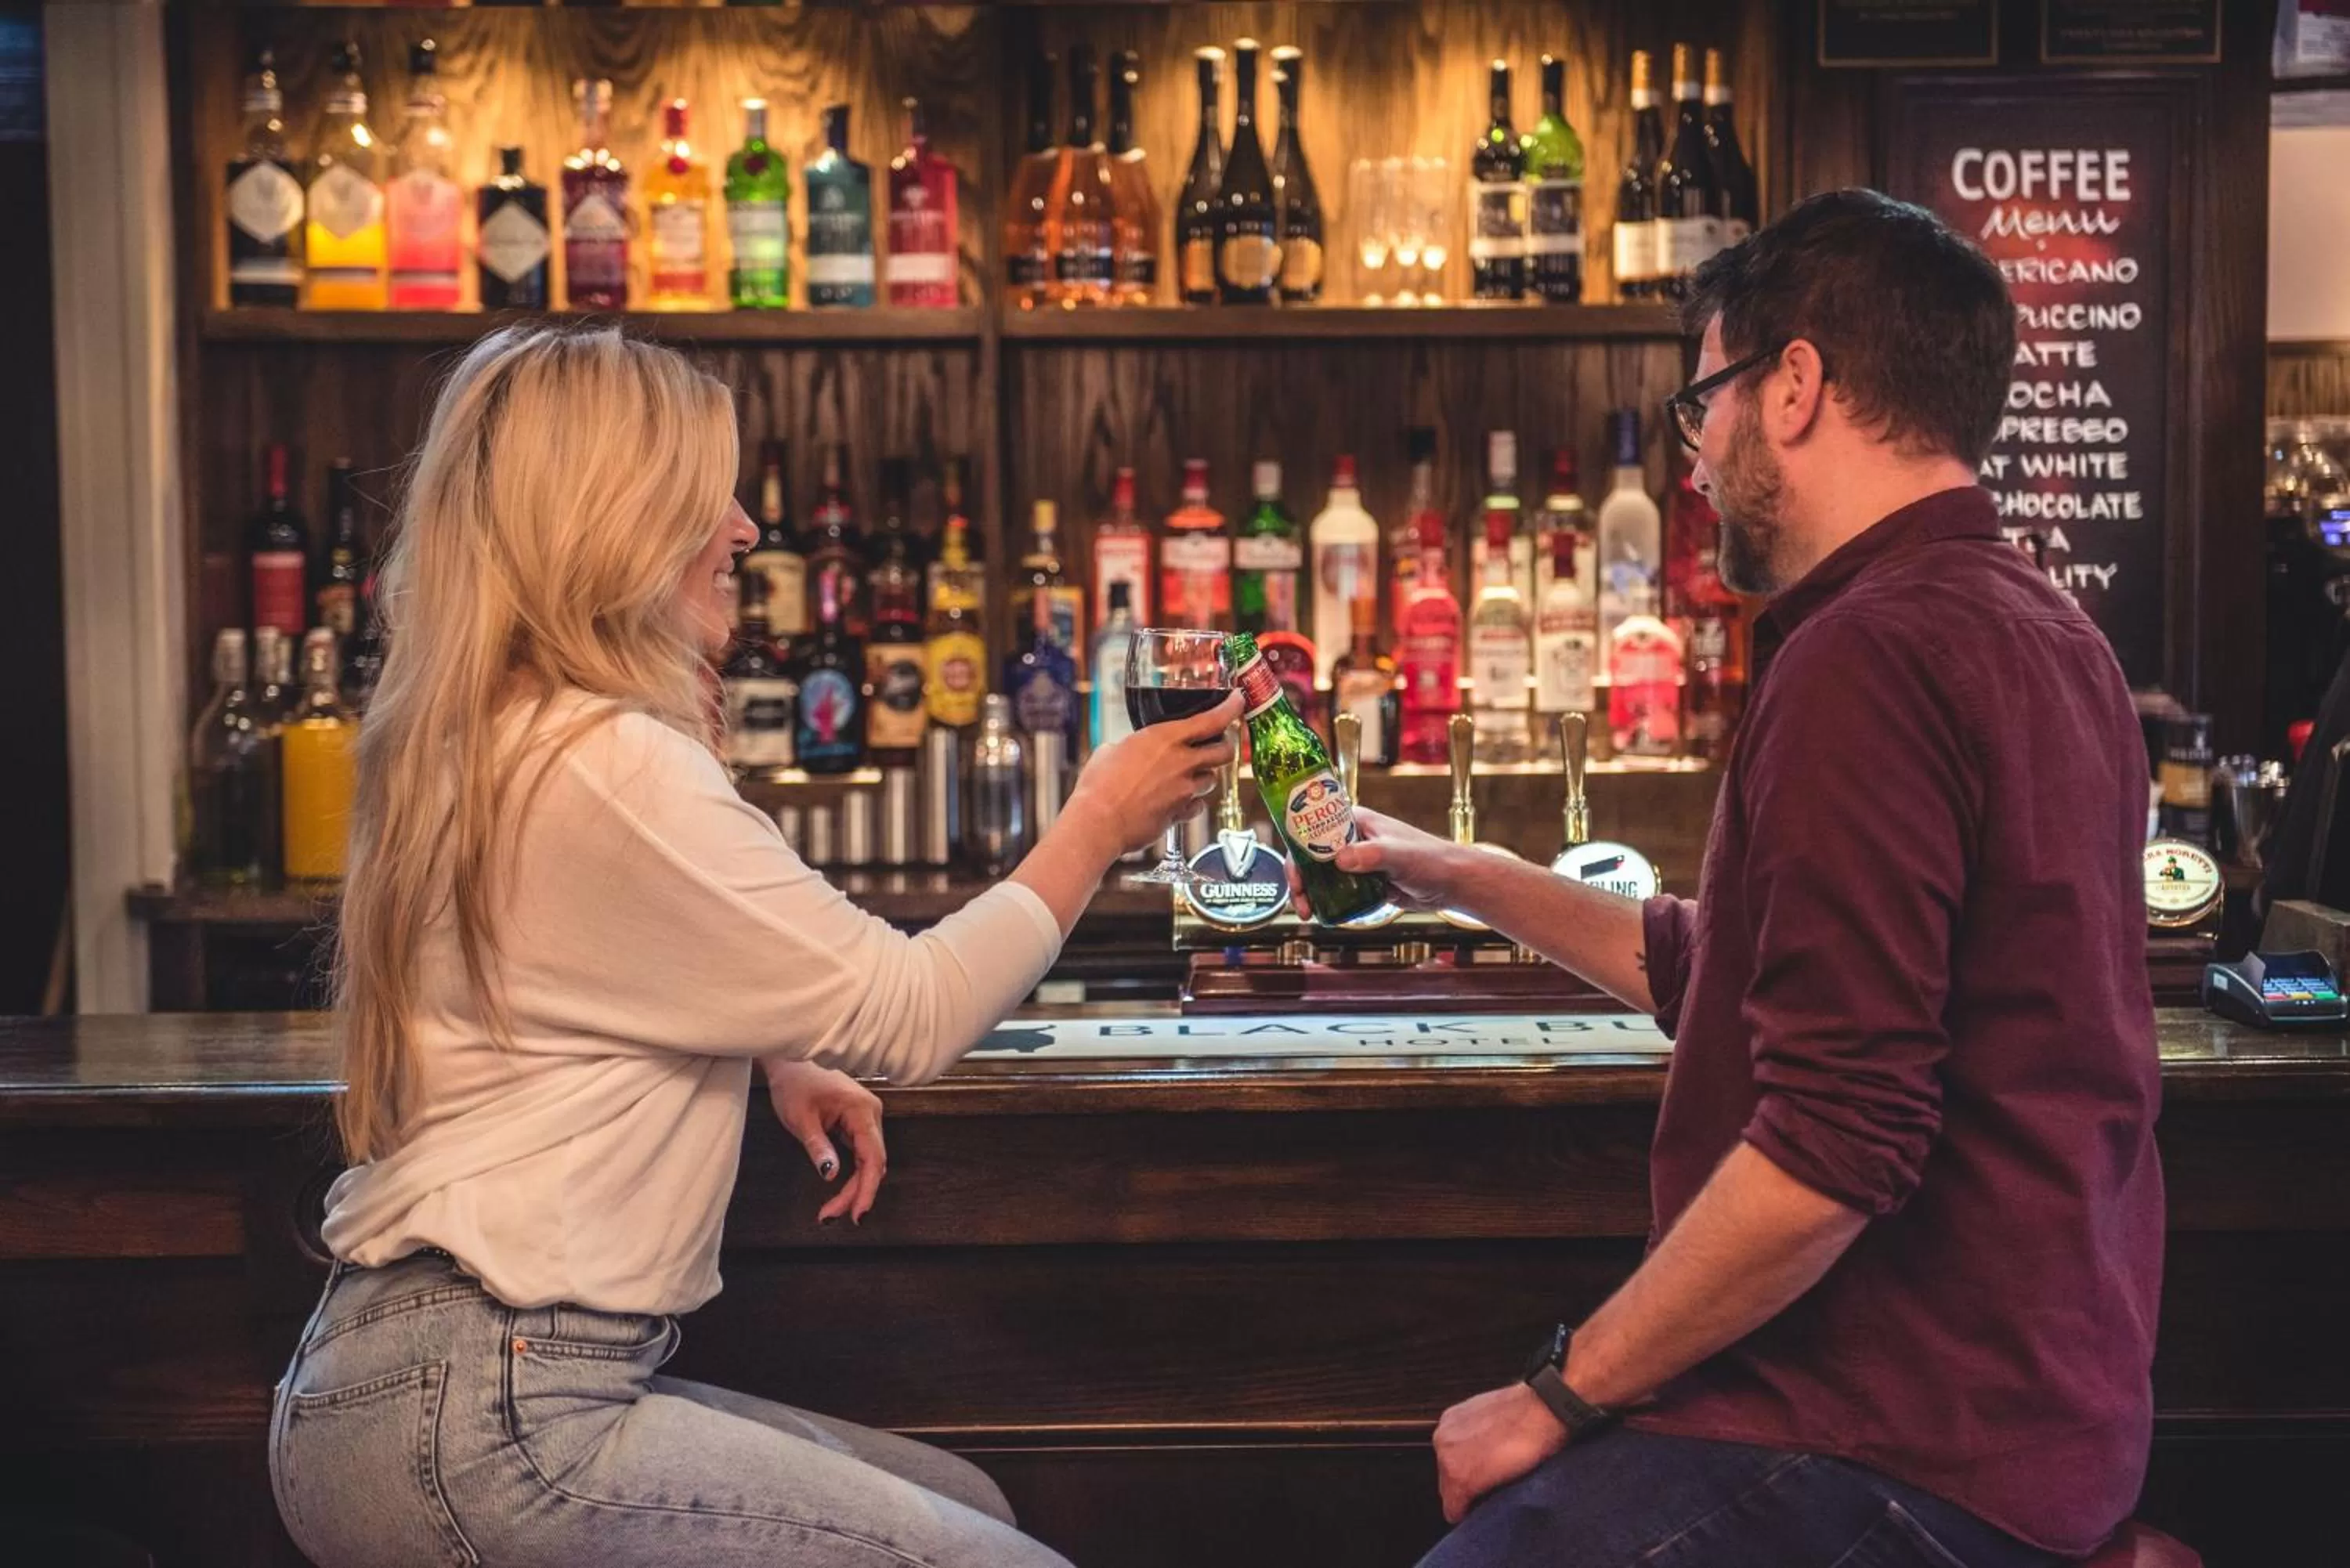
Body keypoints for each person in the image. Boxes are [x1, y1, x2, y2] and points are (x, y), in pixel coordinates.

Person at [267, 324, 1241, 1568]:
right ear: (614, 522)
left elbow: (577, 973)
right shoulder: (604, 758)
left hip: (418, 1384)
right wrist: (1098, 821)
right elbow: (910, 1011)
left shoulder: (493, 729)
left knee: (970, 1502)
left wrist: (775, 1049)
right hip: (488, 1411)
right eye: (704, 496)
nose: (743, 528)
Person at [1300, 190, 2161, 1567]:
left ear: (1797, 385)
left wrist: (1557, 1392)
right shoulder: (2050, 633)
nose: (1695, 452)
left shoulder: (1865, 657)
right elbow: (1718, 968)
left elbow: (1836, 1141)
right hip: (2035, 1423)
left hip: (1887, 1438)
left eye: (1705, 398)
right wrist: (1447, 866)